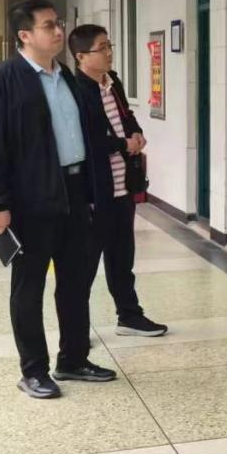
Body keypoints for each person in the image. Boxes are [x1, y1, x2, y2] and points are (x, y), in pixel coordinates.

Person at [0, 0, 117, 399]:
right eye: (49, 25)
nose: (58, 31)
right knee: (29, 286)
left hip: (74, 192)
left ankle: (73, 359)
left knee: (75, 282)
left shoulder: (66, 76)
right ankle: (33, 370)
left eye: (59, 23)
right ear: (25, 35)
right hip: (30, 199)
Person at [68, 24, 168, 337]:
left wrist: (136, 133)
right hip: (95, 192)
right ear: (81, 56)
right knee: (84, 267)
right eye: (102, 48)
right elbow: (85, 140)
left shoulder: (113, 82)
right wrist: (123, 144)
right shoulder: (75, 91)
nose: (109, 52)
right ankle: (76, 332)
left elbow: (125, 117)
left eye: (109, 45)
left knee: (122, 258)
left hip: (123, 186)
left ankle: (129, 316)